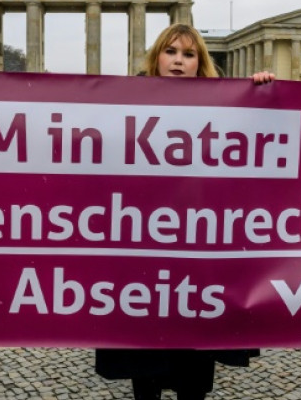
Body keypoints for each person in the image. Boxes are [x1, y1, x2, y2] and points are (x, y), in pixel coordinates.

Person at [95, 23, 274, 400]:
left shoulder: (223, 104)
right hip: (143, 250)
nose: (178, 61)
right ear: (156, 57)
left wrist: (261, 91)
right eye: (171, 51)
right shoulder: (126, 102)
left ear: (200, 63)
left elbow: (259, 140)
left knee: (193, 376)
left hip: (198, 250)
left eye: (188, 54)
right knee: (144, 373)